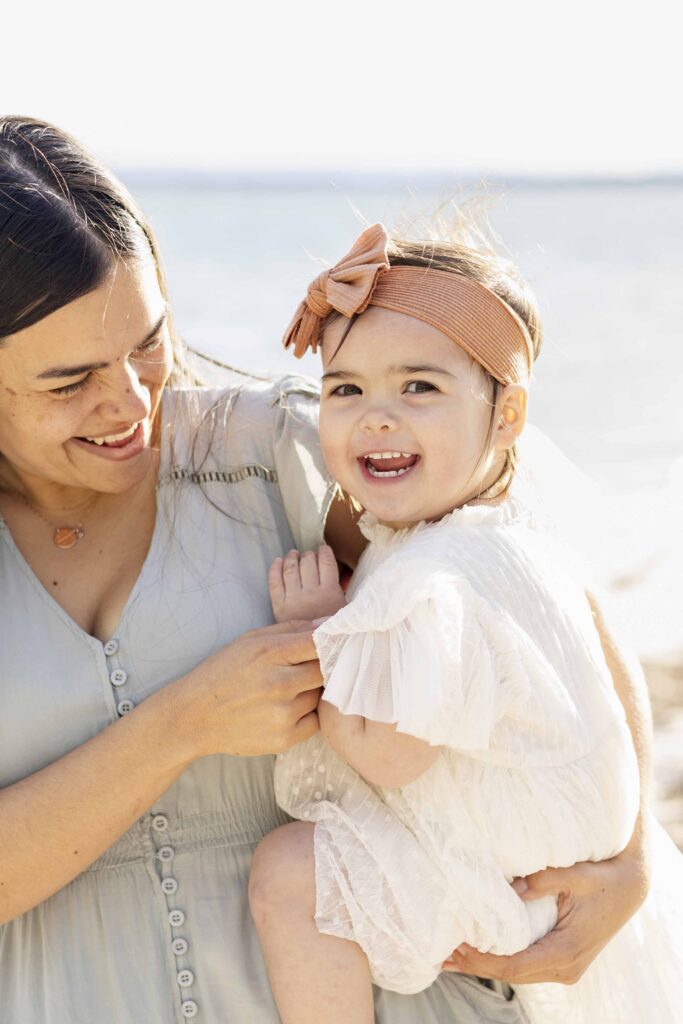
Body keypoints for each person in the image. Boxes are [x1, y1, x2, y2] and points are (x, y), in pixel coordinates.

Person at [0, 116, 653, 1024]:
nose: (134, 403)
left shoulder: (272, 449)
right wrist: (181, 725)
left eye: (147, 342)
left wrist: (630, 861)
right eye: (70, 381)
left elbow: (536, 584)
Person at [248, 223, 683, 1023]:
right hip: (563, 860)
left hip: (517, 885)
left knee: (289, 872)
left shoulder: (427, 581)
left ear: (507, 414)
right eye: (345, 390)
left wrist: (324, 636)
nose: (376, 417)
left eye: (418, 387)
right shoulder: (510, 532)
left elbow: (387, 755)